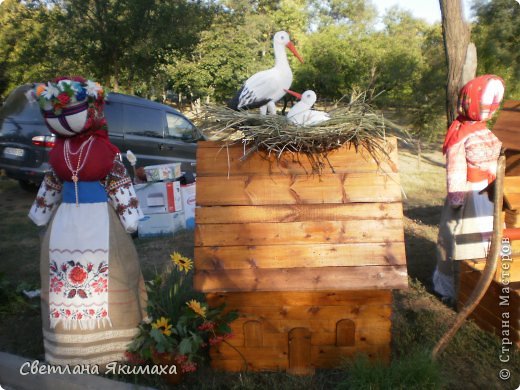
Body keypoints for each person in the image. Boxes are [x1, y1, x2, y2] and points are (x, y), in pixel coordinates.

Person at [27, 77, 147, 366]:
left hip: (93, 221)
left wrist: (129, 217)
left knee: (107, 271)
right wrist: (40, 211)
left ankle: (114, 345)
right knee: (66, 275)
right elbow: (54, 182)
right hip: (69, 221)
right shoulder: (62, 152)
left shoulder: (103, 151)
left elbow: (117, 181)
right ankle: (72, 348)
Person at [433, 74, 505, 303]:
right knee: (460, 241)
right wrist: (456, 201)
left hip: (490, 193)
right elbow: (455, 170)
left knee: (490, 239)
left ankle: (487, 285)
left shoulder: (485, 130)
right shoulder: (459, 135)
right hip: (469, 196)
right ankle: (456, 289)